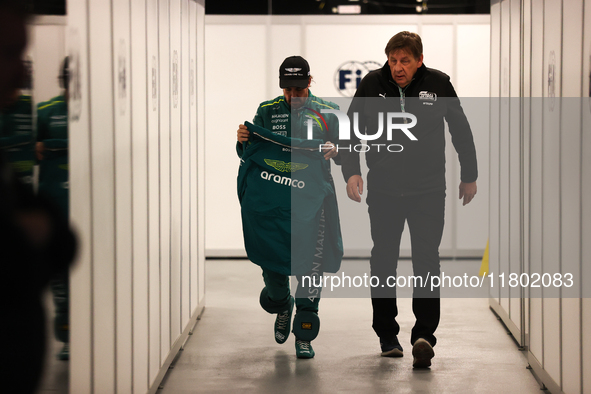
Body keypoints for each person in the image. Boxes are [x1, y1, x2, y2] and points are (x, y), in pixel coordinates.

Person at [340, 31, 478, 368]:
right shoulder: (373, 84)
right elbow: (350, 130)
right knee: (384, 261)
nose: (398, 67)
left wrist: (469, 175)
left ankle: (424, 336)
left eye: (405, 60)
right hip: (385, 192)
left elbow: (461, 130)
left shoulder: (438, 84)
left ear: (419, 61)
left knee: (427, 261)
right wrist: (351, 171)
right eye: (393, 60)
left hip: (428, 192)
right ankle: (387, 333)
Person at [236, 56, 342, 359]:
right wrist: (243, 140)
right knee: (273, 266)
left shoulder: (328, 113)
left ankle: (304, 332)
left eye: (298, 89)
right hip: (273, 202)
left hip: (312, 203)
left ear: (310, 83)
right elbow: (251, 153)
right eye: (288, 90)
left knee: (311, 266)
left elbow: (348, 149)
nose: (293, 96)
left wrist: (338, 149)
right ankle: (282, 305)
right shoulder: (267, 110)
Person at [0, 1, 77, 392]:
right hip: (52, 191)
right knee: (63, 285)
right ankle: (66, 331)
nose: (19, 70)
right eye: (10, 53)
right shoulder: (44, 111)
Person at [36, 56, 71, 360]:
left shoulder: (99, 112)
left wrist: (54, 145)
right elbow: (31, 151)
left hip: (88, 208)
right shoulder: (45, 111)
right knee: (60, 276)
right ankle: (67, 335)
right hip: (54, 204)